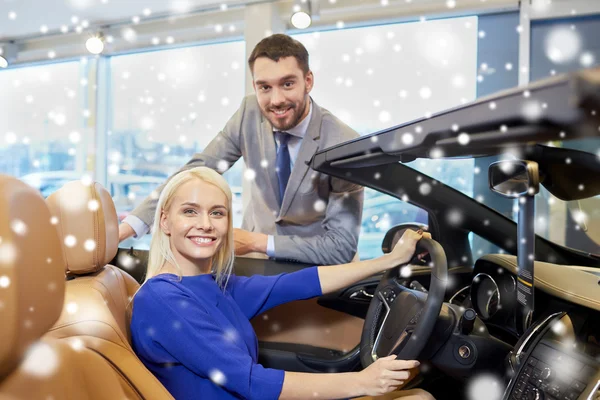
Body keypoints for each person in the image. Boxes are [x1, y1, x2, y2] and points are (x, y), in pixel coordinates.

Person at [130, 166, 435, 400]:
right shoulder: (164, 299)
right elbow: (250, 382)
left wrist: (388, 261)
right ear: (165, 221)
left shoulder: (211, 284)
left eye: (217, 213)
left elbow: (299, 283)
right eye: (190, 211)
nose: (206, 224)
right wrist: (364, 382)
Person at [119, 33, 364, 266]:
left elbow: (340, 247)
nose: (276, 100)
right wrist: (130, 226)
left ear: (308, 81)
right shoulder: (249, 112)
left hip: (317, 266)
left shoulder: (344, 144)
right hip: (254, 263)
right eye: (265, 87)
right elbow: (195, 172)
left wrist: (257, 242)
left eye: (287, 84)